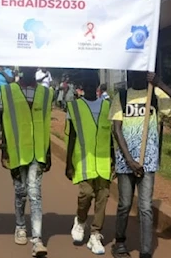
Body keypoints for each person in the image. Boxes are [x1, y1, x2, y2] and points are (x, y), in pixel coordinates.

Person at [110, 71, 171, 258]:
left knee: (145, 207)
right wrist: (129, 159)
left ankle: (145, 251)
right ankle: (119, 243)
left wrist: (160, 83)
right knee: (125, 204)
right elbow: (116, 130)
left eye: (140, 73)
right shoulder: (121, 96)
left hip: (148, 162)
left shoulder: (154, 95)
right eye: (132, 73)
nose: (135, 76)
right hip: (125, 162)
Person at [0, 80, 53, 257]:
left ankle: (37, 239)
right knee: (20, 191)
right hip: (17, 150)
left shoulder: (45, 93)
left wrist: (49, 153)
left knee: (35, 193)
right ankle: (20, 226)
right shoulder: (7, 92)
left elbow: (46, 124)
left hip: (38, 151)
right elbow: (4, 121)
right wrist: (4, 150)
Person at [65, 70, 114, 255]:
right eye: (86, 85)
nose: (89, 88)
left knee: (103, 198)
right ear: (82, 88)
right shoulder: (75, 107)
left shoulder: (108, 106)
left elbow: (112, 137)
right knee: (85, 194)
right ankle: (80, 219)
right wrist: (68, 164)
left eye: (92, 84)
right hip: (84, 161)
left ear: (98, 86)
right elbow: (71, 137)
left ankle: (95, 234)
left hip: (103, 162)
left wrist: (114, 160)